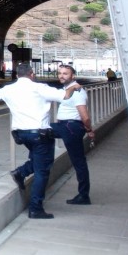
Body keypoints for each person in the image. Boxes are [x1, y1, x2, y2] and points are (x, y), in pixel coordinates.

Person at [0, 62, 75, 219]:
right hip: (39, 134)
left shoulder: (7, 90)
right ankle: (35, 208)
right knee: (42, 170)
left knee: (39, 160)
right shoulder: (40, 88)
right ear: (32, 74)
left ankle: (21, 172)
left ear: (17, 75)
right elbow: (65, 95)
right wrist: (75, 86)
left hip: (20, 134)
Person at [51, 63, 94, 205]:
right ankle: (27, 168)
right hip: (65, 126)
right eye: (60, 73)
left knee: (79, 162)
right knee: (41, 131)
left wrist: (89, 129)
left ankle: (84, 195)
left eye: (65, 74)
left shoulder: (78, 92)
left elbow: (85, 116)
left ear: (73, 76)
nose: (61, 76)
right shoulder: (68, 89)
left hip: (71, 127)